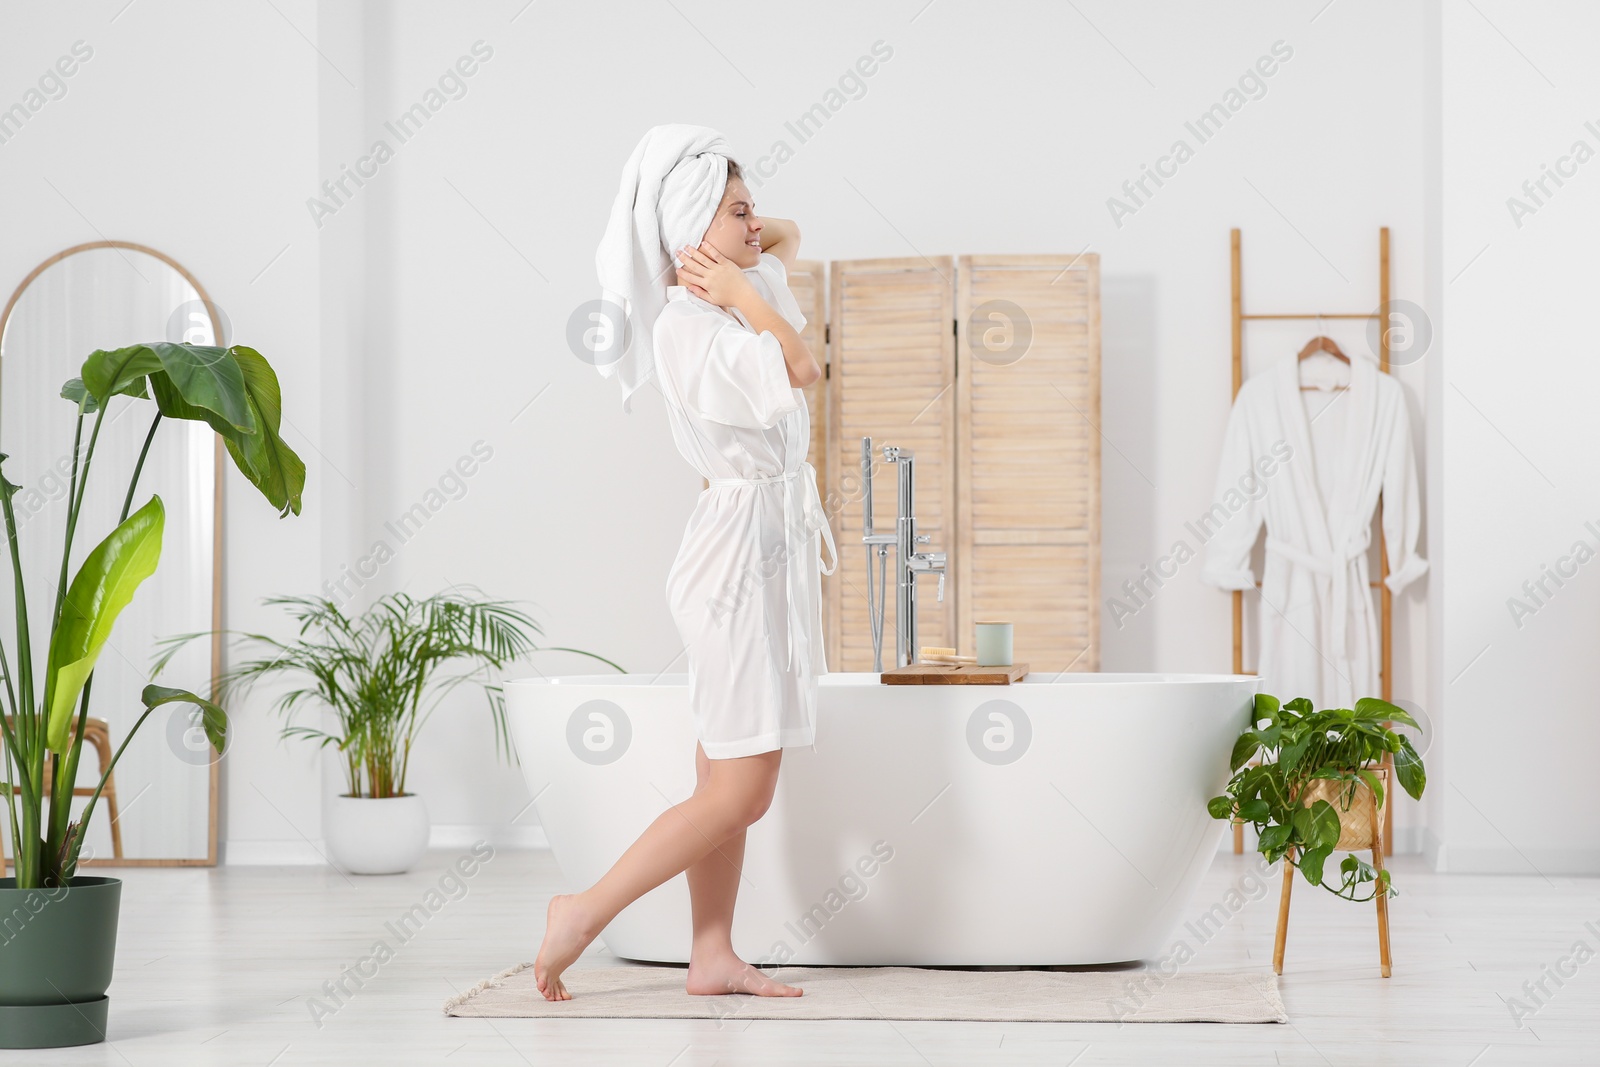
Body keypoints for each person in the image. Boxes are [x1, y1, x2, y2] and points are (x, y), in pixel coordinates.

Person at [535, 126, 835, 1002]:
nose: (758, 226)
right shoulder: (693, 327)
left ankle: (712, 952)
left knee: (727, 771)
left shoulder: (737, 293)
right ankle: (581, 911)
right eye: (738, 211)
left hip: (762, 547)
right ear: (692, 235)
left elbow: (791, 236)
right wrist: (735, 280)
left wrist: (734, 236)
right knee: (743, 786)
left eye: (749, 211)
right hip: (736, 560)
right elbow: (803, 365)